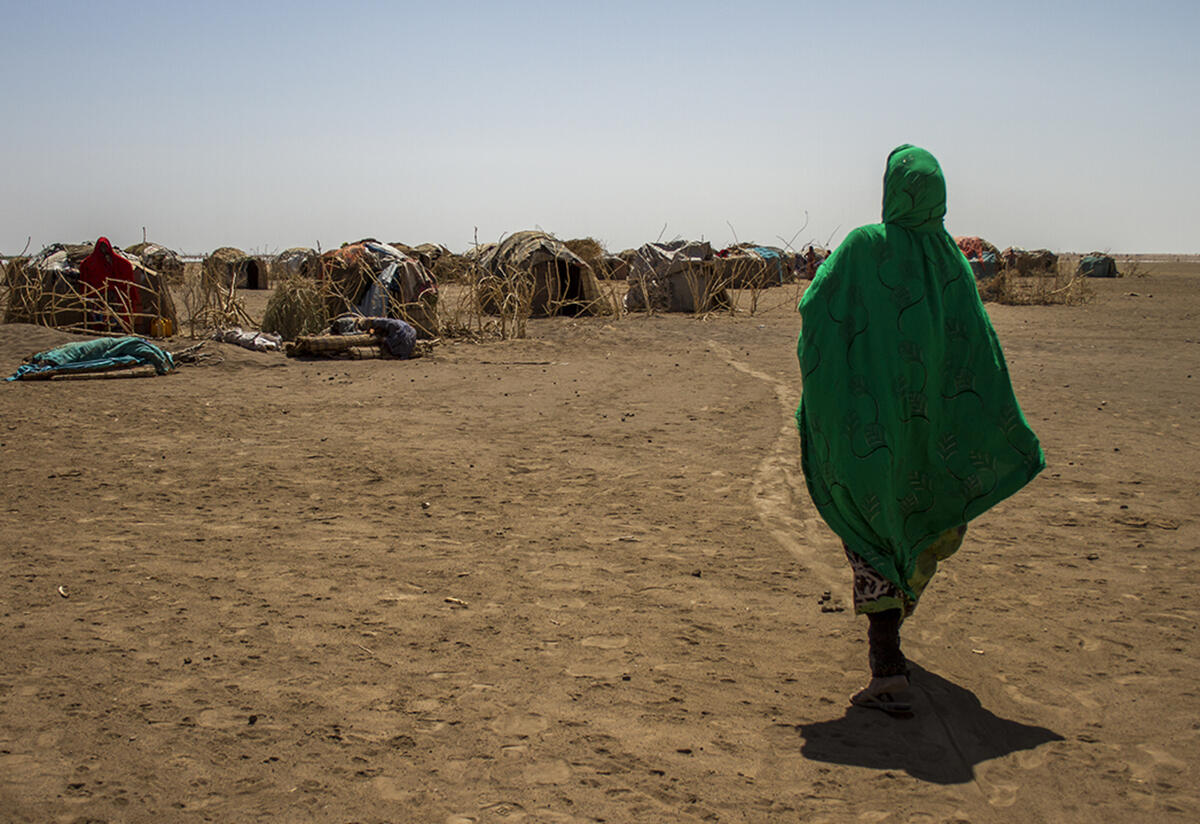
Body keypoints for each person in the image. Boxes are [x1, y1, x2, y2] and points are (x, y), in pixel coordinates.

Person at [795, 145, 1044, 714]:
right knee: (911, 522)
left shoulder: (863, 248)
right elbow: (977, 348)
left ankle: (887, 667)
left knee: (868, 530)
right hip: (930, 434)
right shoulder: (950, 260)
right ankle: (894, 629)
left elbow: (815, 308)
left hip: (868, 428)